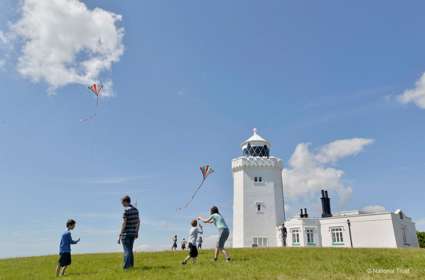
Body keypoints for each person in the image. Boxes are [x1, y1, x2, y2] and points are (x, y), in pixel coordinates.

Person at [117, 195, 140, 270]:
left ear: (126, 202)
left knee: (127, 250)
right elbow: (138, 222)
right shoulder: (136, 210)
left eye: (122, 203)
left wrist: (120, 233)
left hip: (126, 233)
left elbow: (124, 223)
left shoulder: (126, 211)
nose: (122, 205)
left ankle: (126, 267)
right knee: (130, 250)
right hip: (133, 233)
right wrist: (136, 232)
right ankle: (131, 266)